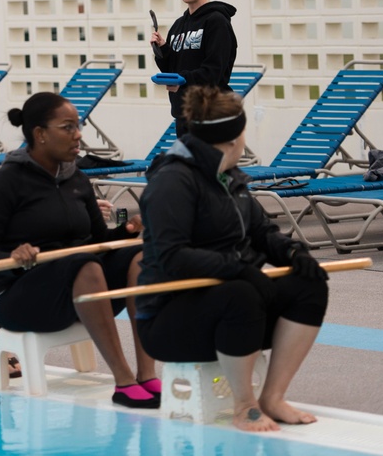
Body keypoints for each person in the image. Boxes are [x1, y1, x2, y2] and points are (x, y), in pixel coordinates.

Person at [137, 86, 329, 432]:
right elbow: (172, 256)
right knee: (241, 293)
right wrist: (240, 270)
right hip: (169, 319)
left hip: (231, 308)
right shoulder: (172, 180)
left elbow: (261, 231)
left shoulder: (230, 177)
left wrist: (292, 252)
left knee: (308, 284)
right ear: (233, 137)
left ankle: (272, 397)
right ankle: (245, 406)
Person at [0, 92, 159, 408]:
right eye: (67, 127)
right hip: (20, 296)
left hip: (80, 286)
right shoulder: (4, 183)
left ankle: (147, 373)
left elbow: (99, 242)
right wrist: (11, 257)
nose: (78, 134)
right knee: (86, 266)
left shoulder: (78, 180)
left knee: (140, 257)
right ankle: (123, 379)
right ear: (40, 134)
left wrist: (127, 232)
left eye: (78, 126)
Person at [150, 0, 237, 136]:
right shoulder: (178, 25)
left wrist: (181, 79)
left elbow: (213, 72)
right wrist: (163, 50)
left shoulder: (216, 21)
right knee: (188, 164)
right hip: (184, 112)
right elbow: (172, 68)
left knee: (210, 164)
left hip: (212, 114)